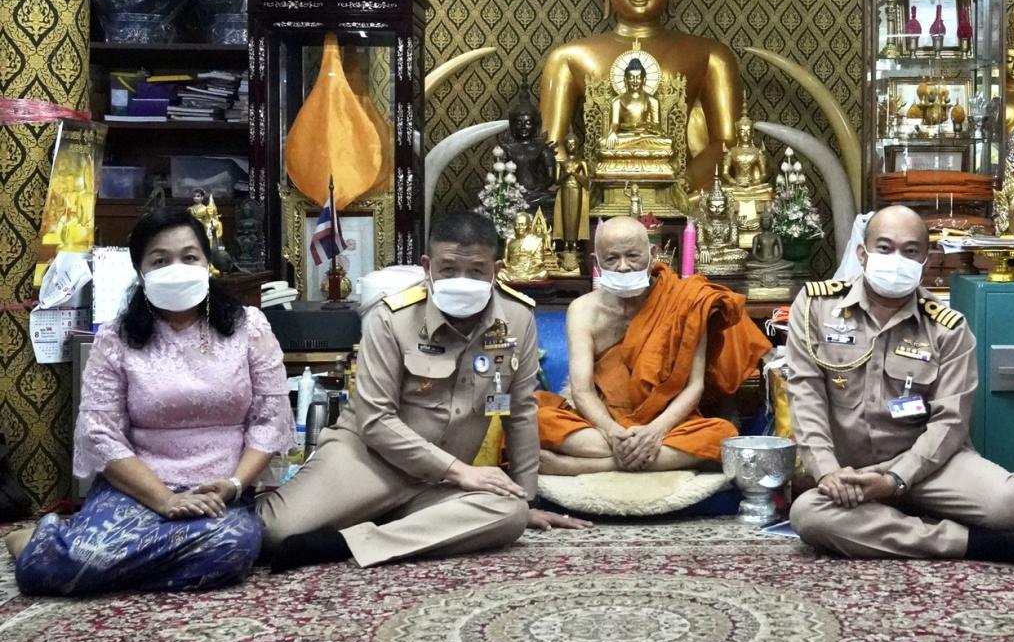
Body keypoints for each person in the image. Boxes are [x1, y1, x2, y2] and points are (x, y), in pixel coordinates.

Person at [258, 212, 589, 572]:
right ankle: (398, 525)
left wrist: (525, 497)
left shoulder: (517, 318)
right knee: (273, 532)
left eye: (476, 271)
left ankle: (345, 542)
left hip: (438, 482)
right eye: (449, 270)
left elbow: (520, 412)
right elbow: (375, 421)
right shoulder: (392, 319)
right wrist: (458, 470)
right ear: (428, 267)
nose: (462, 281)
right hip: (368, 462)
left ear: (496, 270)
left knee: (510, 514)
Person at [9, 208, 295, 595]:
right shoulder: (116, 338)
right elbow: (100, 434)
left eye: (189, 257)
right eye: (160, 261)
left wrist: (234, 483)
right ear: (140, 272)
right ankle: (56, 548)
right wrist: (164, 500)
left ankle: (65, 552)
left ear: (208, 264)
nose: (177, 269)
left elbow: (269, 420)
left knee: (233, 547)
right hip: (136, 488)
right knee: (65, 565)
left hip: (219, 493)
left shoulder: (250, 327)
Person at [787, 205, 1014, 563]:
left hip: (929, 466)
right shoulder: (815, 307)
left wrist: (896, 479)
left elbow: (950, 421)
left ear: (925, 261)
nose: (897, 260)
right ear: (862, 254)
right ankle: (965, 541)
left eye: (910, 251)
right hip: (851, 472)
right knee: (808, 515)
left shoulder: (948, 327)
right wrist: (827, 471)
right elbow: (806, 397)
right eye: (884, 248)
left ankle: (885, 521)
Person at [537, 216, 771, 475]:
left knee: (722, 434)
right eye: (612, 259)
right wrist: (613, 431)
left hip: (666, 423)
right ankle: (652, 457)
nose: (623, 267)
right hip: (604, 423)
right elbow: (582, 391)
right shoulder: (583, 310)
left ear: (652, 254)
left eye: (633, 256)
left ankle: (583, 465)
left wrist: (655, 431)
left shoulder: (687, 301)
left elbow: (694, 386)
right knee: (534, 419)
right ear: (597, 263)